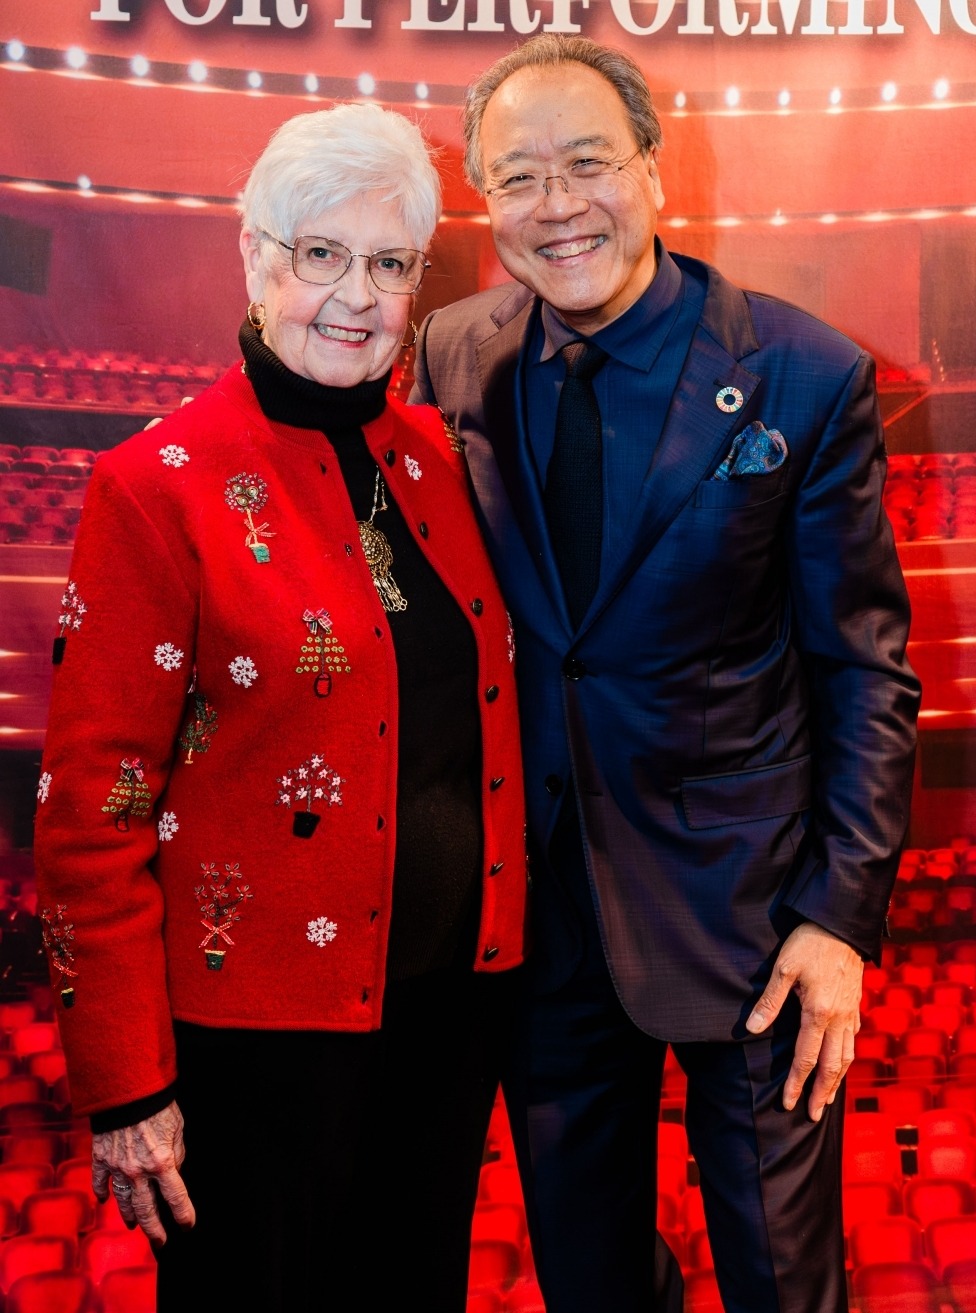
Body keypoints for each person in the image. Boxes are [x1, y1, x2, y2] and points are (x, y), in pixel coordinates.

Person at [411, 33, 921, 1313]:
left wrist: (837, 918)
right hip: (535, 917)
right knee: (587, 1274)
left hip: (748, 919)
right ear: (485, 201)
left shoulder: (805, 372)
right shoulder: (450, 353)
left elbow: (862, 667)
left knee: (779, 1280)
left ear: (652, 170)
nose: (557, 204)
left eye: (588, 162)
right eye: (517, 177)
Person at [34, 101, 527, 1313]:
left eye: (391, 263)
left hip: (443, 1021)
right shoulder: (156, 487)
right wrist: (127, 1085)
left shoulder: (439, 462)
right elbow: (92, 809)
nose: (356, 295)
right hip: (247, 1047)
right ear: (255, 256)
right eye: (322, 254)